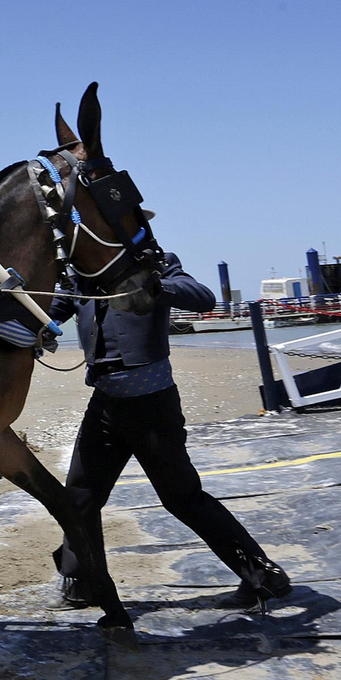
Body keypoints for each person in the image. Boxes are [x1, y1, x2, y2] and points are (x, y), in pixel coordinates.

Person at [52, 252, 293, 608]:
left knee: (183, 499)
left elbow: (201, 297)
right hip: (104, 403)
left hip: (153, 407)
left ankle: (265, 576)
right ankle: (82, 578)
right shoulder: (80, 274)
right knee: (78, 497)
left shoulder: (155, 262)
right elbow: (45, 315)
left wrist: (154, 287)